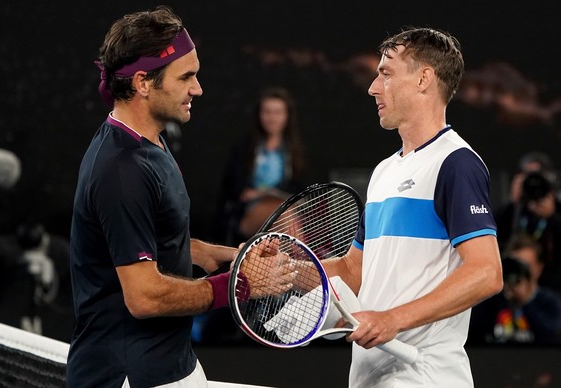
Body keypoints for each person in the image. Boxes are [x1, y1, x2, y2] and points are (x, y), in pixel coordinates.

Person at [66, 7, 293, 387]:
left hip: (171, 365)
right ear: (142, 83)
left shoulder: (151, 142)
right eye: (186, 76)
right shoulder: (122, 170)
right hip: (129, 375)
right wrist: (240, 284)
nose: (198, 88)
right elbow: (145, 297)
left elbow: (166, 243)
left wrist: (234, 257)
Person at [321, 27, 503, 387]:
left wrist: (392, 319)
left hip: (424, 377)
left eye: (386, 74)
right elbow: (354, 269)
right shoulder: (384, 171)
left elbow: (487, 272)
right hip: (372, 376)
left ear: (424, 78)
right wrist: (283, 269)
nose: (373, 87)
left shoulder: (456, 163)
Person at [216, 86, 306, 245]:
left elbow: (299, 190)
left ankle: (295, 261)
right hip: (247, 213)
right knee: (284, 215)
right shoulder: (244, 147)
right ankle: (305, 260)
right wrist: (256, 195)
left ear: (287, 116)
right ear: (259, 114)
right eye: (267, 112)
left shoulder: (293, 150)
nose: (272, 118)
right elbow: (234, 190)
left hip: (286, 209)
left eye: (278, 112)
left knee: (285, 215)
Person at [469, 233, 561, 345]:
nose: (519, 271)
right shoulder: (491, 300)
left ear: (539, 267)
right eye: (514, 265)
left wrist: (526, 300)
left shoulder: (549, 301)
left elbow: (551, 339)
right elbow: (473, 335)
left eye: (526, 265)